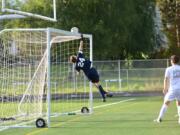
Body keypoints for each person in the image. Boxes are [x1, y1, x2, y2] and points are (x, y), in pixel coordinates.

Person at [69, 35, 113, 102]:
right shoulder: (79, 55)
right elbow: (81, 47)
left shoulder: (76, 66)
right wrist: (81, 39)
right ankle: (104, 95)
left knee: (96, 84)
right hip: (92, 70)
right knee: (98, 83)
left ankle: (105, 94)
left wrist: (77, 72)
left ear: (73, 62)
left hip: (88, 74)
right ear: (75, 57)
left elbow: (78, 73)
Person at [154, 55, 180, 123]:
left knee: (166, 103)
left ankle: (159, 118)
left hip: (173, 89)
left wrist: (165, 89)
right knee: (179, 103)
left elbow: (166, 79)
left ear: (171, 61)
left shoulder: (169, 69)